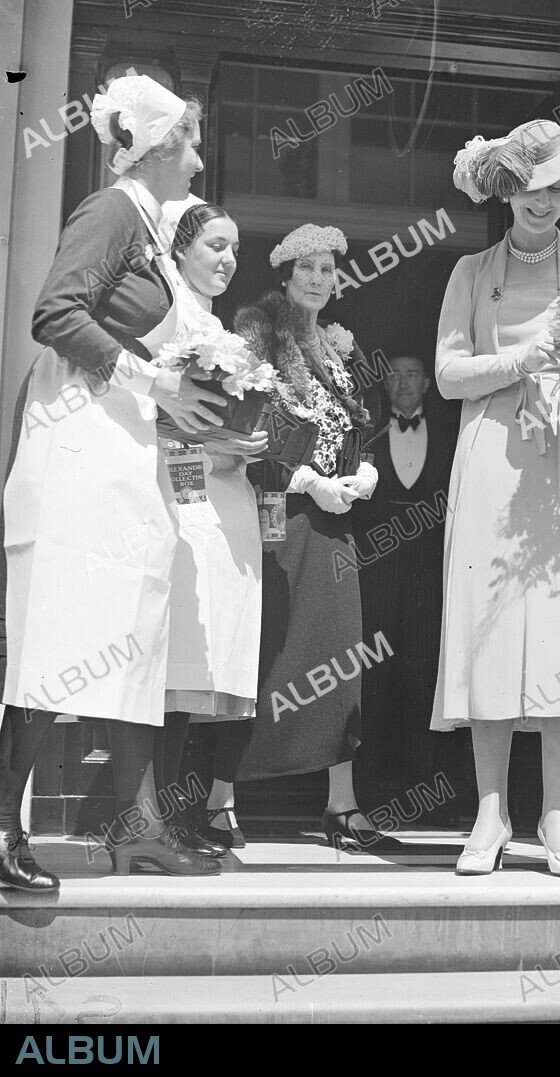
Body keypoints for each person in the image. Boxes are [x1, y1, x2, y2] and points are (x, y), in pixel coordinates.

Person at [0, 75, 245, 887]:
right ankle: (3, 831)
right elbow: (54, 313)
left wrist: (195, 402)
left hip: (124, 455)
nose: (201, 160)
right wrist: (158, 383)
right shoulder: (111, 212)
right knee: (56, 641)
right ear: (160, 149)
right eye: (192, 145)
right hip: (77, 451)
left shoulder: (148, 225)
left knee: (129, 638)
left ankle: (136, 826)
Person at [430, 118, 560, 878]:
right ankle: (492, 810)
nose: (542, 200)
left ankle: (557, 809)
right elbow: (450, 375)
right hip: (492, 455)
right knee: (490, 623)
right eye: (529, 185)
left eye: (556, 185)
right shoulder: (470, 272)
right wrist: (525, 361)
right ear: (505, 190)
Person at [233, 224, 396, 851]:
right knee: (266, 651)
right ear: (284, 272)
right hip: (278, 515)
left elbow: (362, 426)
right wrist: (306, 480)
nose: (321, 279)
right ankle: (224, 800)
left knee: (337, 657)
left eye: (330, 269)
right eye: (309, 267)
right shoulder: (255, 334)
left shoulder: (340, 347)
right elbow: (245, 423)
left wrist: (366, 469)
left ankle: (341, 803)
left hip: (334, 523)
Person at [155, 198, 267, 852]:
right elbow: (162, 417)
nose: (227, 260)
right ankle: (161, 821)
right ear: (181, 248)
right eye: (215, 246)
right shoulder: (171, 315)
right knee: (173, 673)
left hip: (220, 508)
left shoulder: (214, 323)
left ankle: (178, 817)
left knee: (193, 677)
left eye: (233, 251)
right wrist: (216, 445)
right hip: (182, 506)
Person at [355, 356, 459, 813]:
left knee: (425, 674)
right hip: (376, 565)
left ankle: (427, 792)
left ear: (428, 385)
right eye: (394, 373)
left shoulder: (453, 435)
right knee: (370, 677)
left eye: (413, 374)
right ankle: (364, 791)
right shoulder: (369, 432)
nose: (402, 383)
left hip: (428, 569)